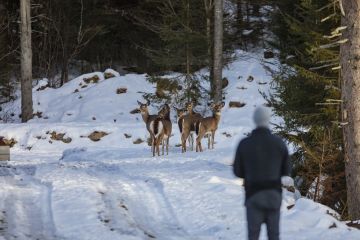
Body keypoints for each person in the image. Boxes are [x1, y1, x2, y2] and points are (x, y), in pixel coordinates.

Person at [233, 106, 290, 240]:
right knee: (274, 235)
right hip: (274, 195)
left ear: (254, 120)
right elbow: (287, 170)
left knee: (253, 234)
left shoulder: (245, 144)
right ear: (268, 120)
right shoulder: (279, 143)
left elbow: (237, 171)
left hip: (253, 195)